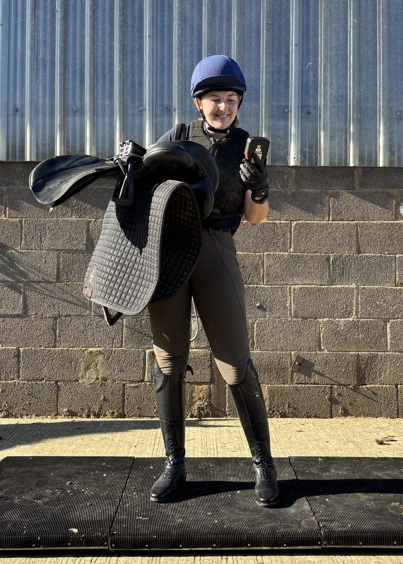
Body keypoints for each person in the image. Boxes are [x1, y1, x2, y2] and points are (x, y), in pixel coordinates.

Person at [147, 55, 279, 507]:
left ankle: (263, 464)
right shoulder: (177, 138)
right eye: (214, 99)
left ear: (239, 103)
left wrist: (259, 188)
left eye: (231, 99)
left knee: (235, 363)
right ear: (198, 102)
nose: (223, 107)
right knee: (168, 360)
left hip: (217, 249)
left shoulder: (247, 147)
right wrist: (129, 163)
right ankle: (174, 464)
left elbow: (255, 219)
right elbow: (144, 186)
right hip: (170, 252)